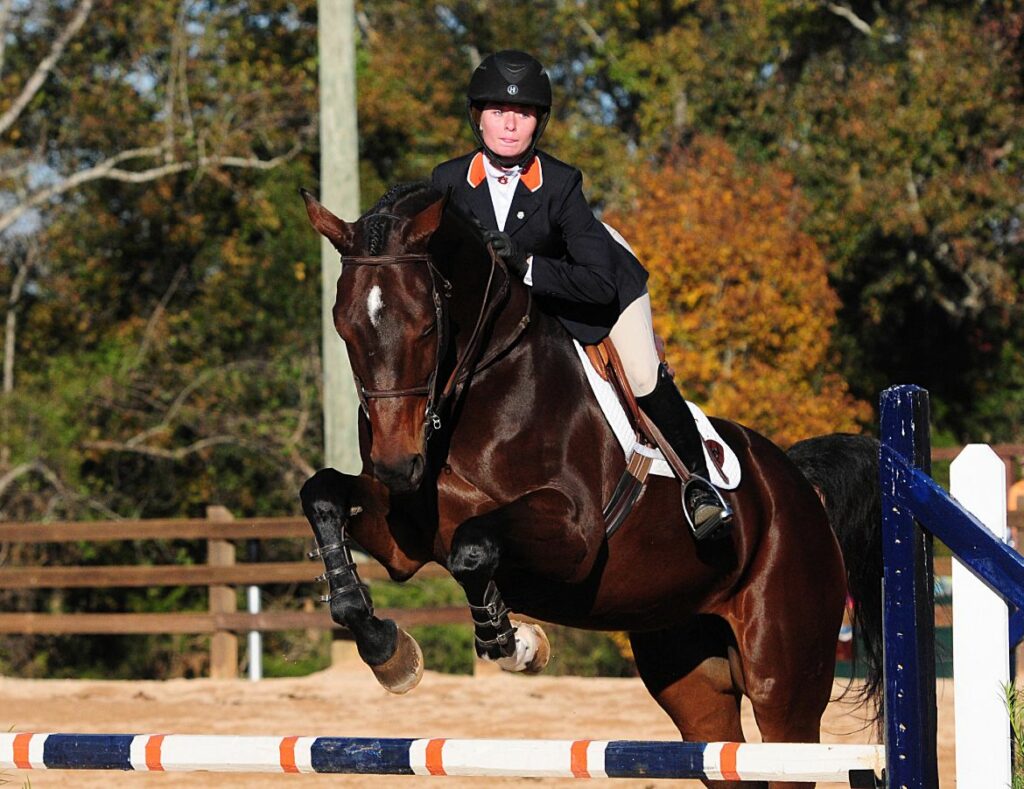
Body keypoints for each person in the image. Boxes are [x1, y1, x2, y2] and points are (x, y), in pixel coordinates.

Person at [431, 50, 731, 539]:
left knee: (639, 372)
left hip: (595, 290)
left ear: (538, 124)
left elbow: (599, 281)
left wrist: (525, 265)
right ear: (476, 118)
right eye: (497, 112)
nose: (509, 125)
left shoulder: (562, 184)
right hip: (512, 312)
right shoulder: (447, 182)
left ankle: (699, 487)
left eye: (523, 114)